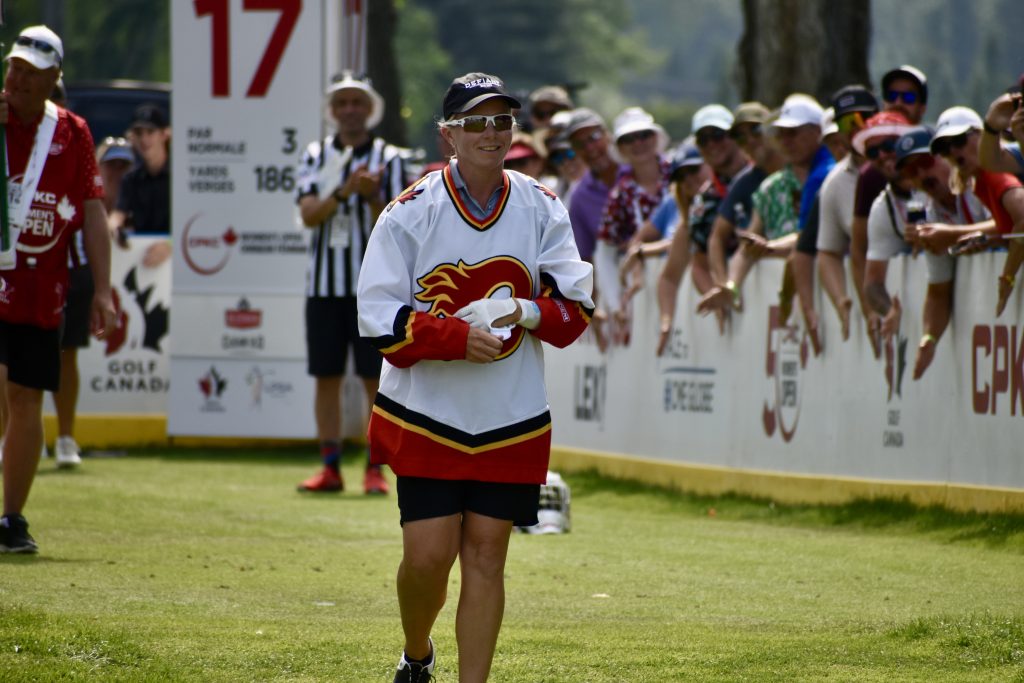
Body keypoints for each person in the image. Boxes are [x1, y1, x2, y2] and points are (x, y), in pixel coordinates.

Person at [356, 72, 593, 683]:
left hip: (510, 416)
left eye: (502, 120)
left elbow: (576, 312)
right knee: (428, 559)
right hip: (427, 415)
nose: (492, 133)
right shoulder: (410, 212)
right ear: (448, 137)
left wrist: (526, 309)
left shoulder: (542, 206)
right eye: (476, 122)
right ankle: (416, 653)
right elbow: (378, 320)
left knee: (488, 556)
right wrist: (457, 338)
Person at [0, 25, 116, 553]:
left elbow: (93, 210)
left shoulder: (73, 132)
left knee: (27, 396)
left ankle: (12, 519)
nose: (17, 79)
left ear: (53, 79)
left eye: (29, 72)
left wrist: (103, 289)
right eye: (13, 68)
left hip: (42, 288)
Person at [294, 72, 410, 495]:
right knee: (326, 376)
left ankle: (374, 468)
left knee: (374, 379)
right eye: (341, 102)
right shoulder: (314, 154)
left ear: (370, 109)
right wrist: (344, 192)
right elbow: (308, 214)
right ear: (332, 110)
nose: (349, 110)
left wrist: (373, 196)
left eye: (357, 102)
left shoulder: (391, 159)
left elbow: (399, 224)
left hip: (374, 289)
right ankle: (330, 467)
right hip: (324, 286)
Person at [893, 127, 995, 379]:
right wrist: (929, 338)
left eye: (926, 162)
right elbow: (938, 291)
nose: (921, 174)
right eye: (910, 171)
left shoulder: (976, 183)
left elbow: (1011, 223)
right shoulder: (931, 215)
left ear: (945, 156)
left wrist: (950, 235)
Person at [930, 106, 1024, 316]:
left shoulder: (994, 172)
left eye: (959, 141)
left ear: (982, 135)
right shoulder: (980, 182)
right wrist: (992, 238)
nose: (953, 152)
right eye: (945, 148)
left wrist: (1007, 277)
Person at [816, 85, 879, 342]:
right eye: (845, 123)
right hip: (876, 299)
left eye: (862, 118)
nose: (855, 127)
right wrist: (843, 300)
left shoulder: (905, 162)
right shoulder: (833, 183)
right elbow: (828, 251)